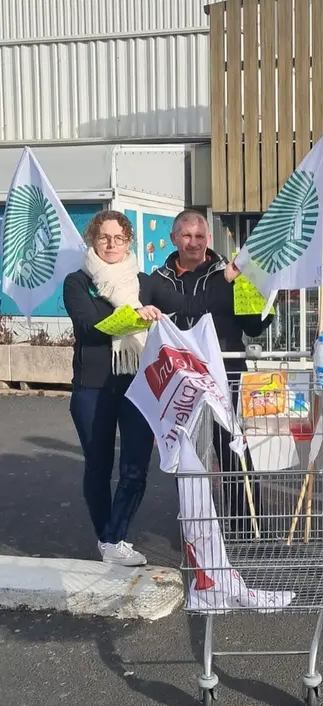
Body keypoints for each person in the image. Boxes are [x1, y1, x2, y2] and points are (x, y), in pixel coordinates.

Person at [63, 210, 228, 566]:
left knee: (136, 467)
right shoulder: (77, 282)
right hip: (92, 388)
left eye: (118, 238)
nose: (111, 244)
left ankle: (113, 539)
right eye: (104, 237)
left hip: (138, 386)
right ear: (93, 239)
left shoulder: (143, 282)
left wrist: (227, 278)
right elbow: (90, 328)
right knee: (97, 466)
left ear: (128, 242)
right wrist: (136, 317)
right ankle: (107, 539)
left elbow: (191, 305)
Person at [153, 210, 274, 532]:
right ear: (174, 238)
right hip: (181, 378)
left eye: (200, 236)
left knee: (232, 447)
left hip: (226, 372)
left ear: (209, 238)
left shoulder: (230, 274)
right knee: (185, 450)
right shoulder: (158, 279)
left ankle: (247, 523)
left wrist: (266, 300)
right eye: (187, 236)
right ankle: (196, 525)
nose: (194, 243)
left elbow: (254, 327)